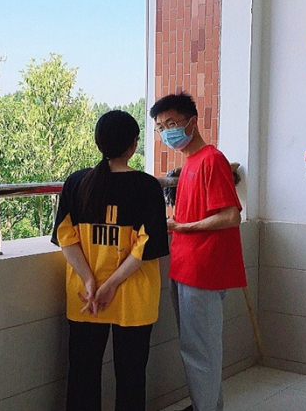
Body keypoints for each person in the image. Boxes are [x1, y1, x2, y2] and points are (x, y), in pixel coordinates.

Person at [51, 110, 169, 411]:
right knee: (131, 377)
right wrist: (112, 284)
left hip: (85, 296)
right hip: (133, 296)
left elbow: (65, 238)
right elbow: (146, 245)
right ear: (133, 145)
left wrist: (90, 281)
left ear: (98, 142)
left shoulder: (76, 182)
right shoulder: (147, 186)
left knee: (82, 374)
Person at [148, 92, 247, 411]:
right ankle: (207, 405)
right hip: (184, 267)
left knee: (200, 349)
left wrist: (182, 227)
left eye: (171, 124)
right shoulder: (189, 163)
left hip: (203, 272)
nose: (166, 132)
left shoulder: (211, 160)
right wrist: (178, 225)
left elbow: (230, 216)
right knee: (195, 347)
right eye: (160, 127)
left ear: (192, 122)